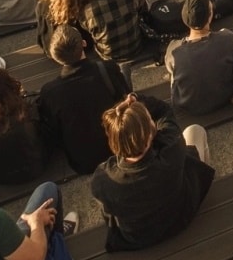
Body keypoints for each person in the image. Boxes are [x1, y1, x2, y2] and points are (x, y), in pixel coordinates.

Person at [92, 93, 215, 251]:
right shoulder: (171, 149)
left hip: (137, 237)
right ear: (150, 135)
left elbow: (109, 214)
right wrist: (136, 99)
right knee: (195, 130)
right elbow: (164, 110)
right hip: (180, 216)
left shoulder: (102, 179)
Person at [36, 23, 131, 175]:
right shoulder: (107, 69)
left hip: (83, 162)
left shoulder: (49, 92)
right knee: (123, 72)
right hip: (119, 148)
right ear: (84, 44)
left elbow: (55, 131)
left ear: (55, 57)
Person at [165, 0, 233, 116]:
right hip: (226, 95)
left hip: (188, 105)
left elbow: (169, 68)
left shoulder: (174, 50)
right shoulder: (227, 38)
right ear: (210, 16)